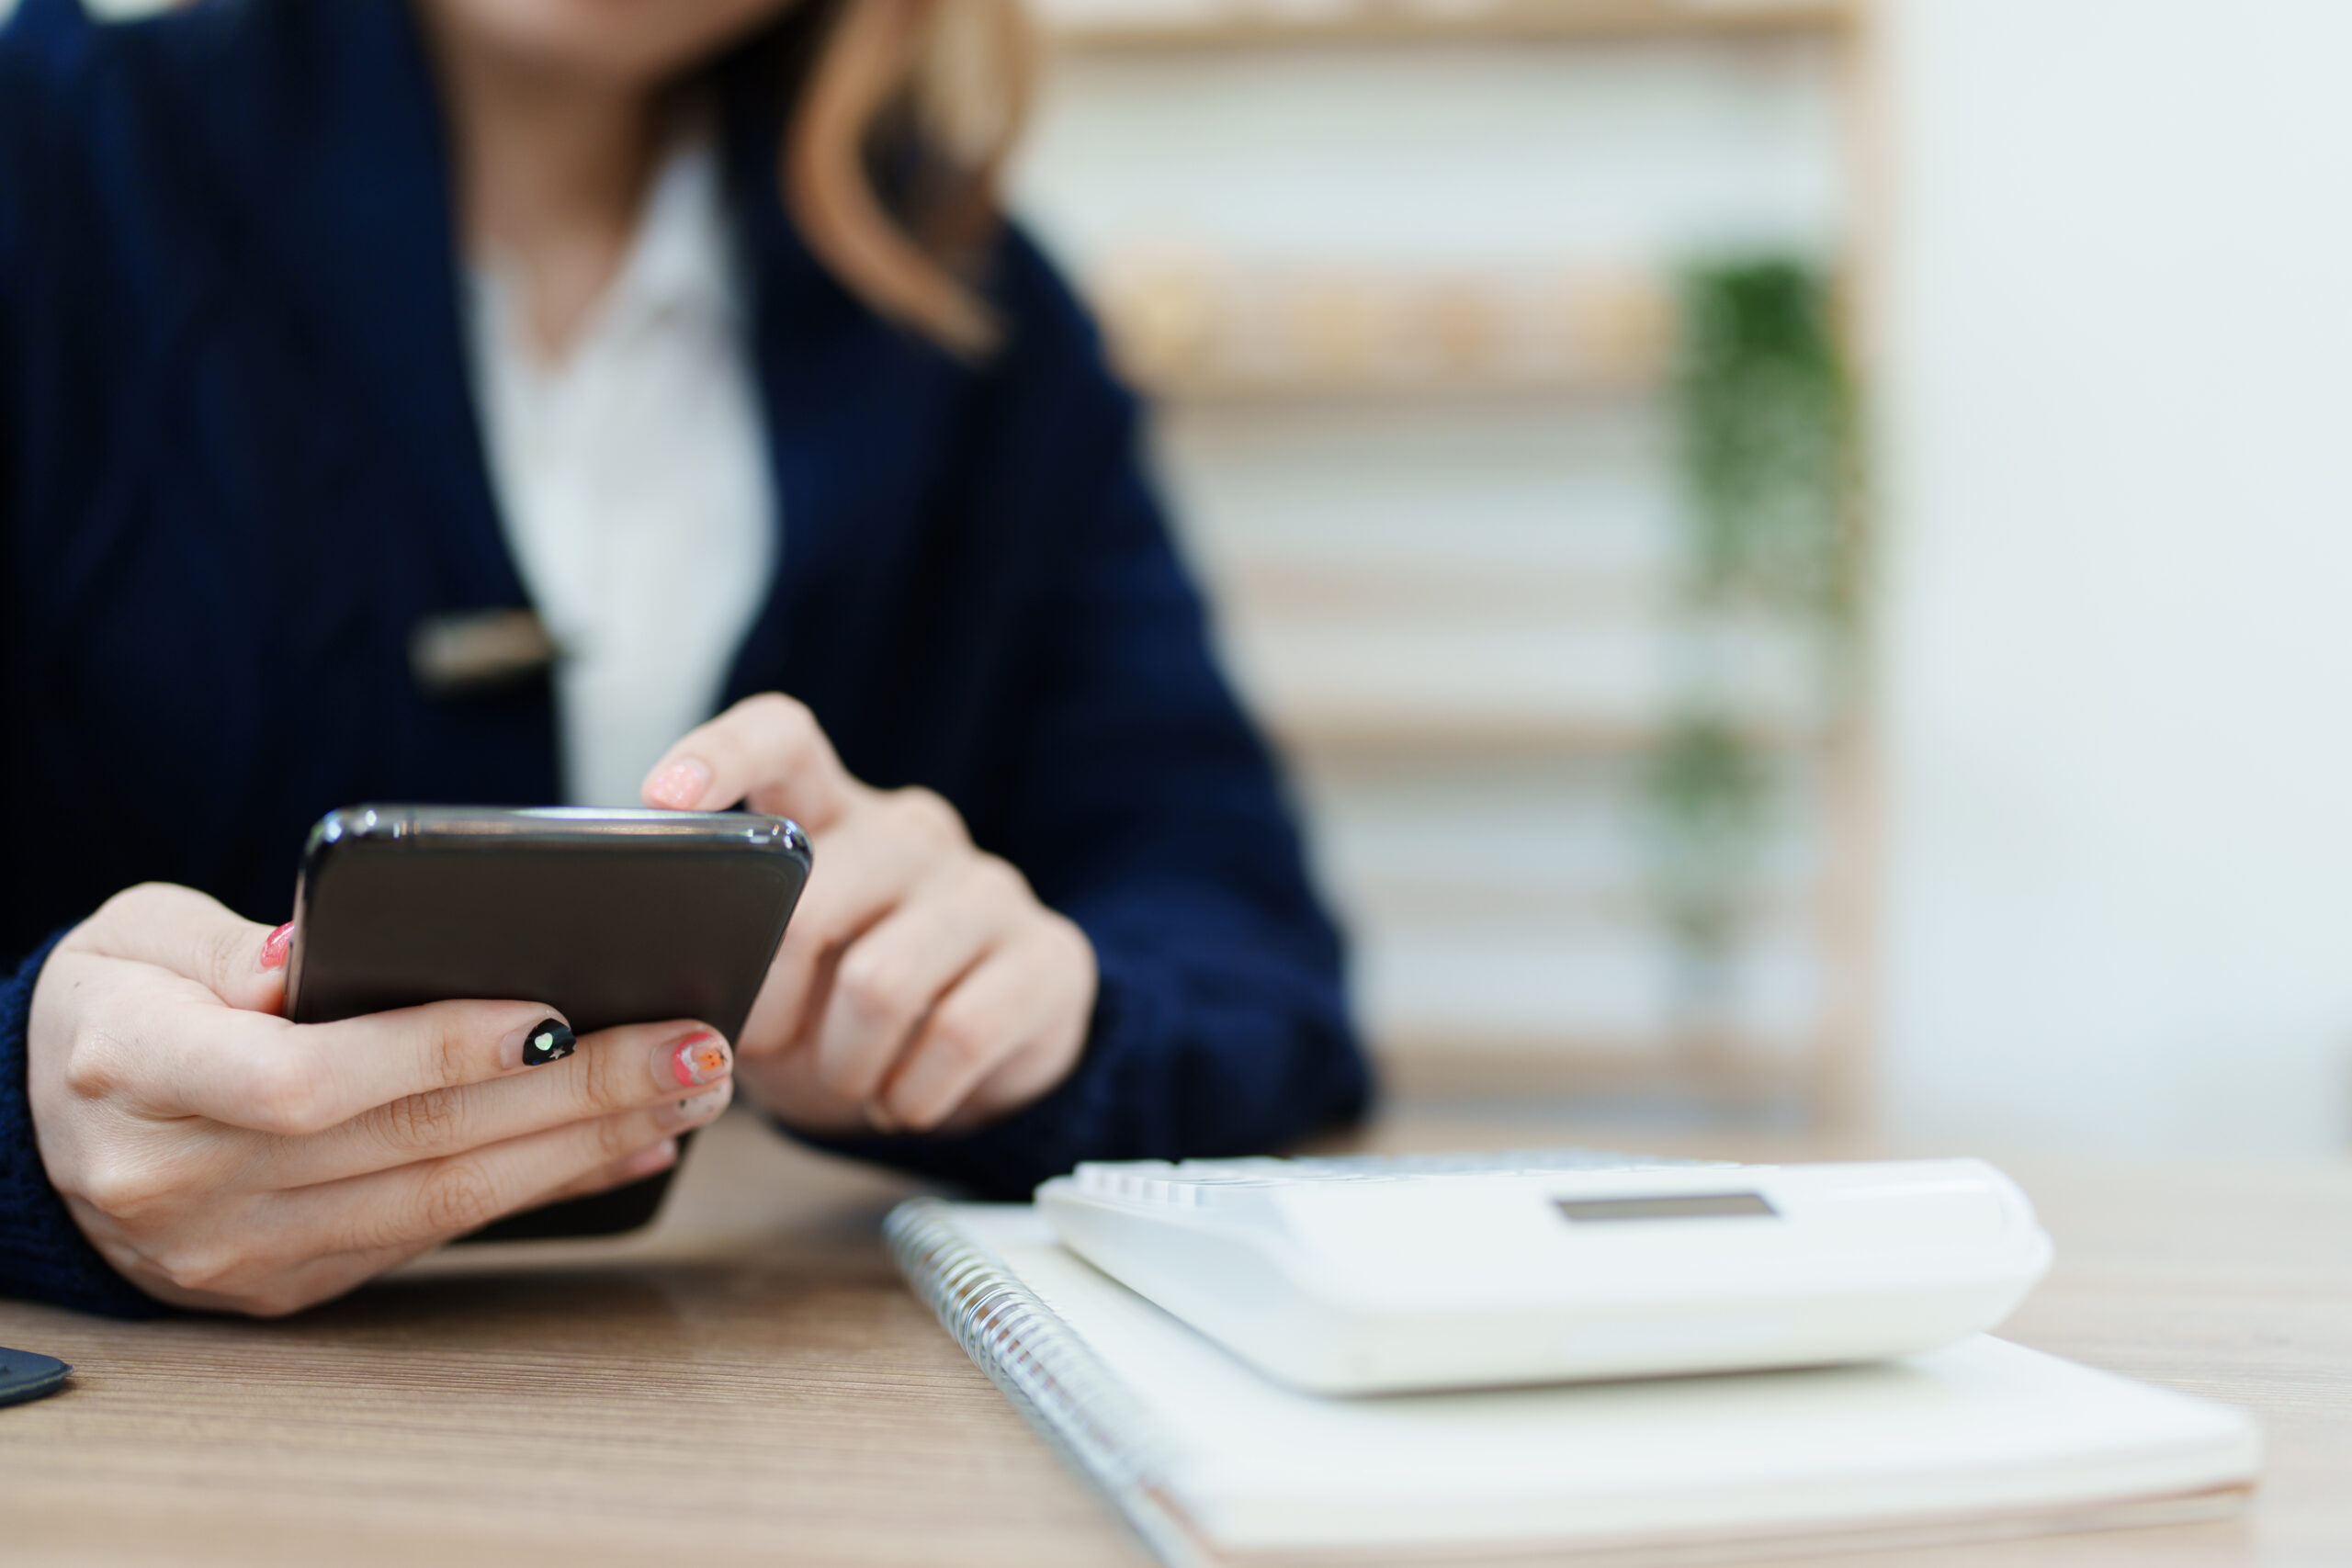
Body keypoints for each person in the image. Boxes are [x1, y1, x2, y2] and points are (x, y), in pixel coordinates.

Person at [0, 0, 1367, 1317]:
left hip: (747, 1415)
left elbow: (1251, 953)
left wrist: (1025, 1016)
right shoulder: (48, 165)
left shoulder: (976, 317)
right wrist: (26, 1114)